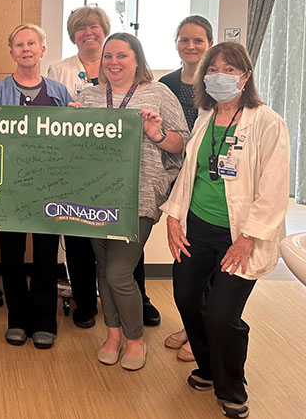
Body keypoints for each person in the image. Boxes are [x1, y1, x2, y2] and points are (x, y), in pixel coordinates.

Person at [163, 42, 289, 419]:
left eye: (230, 70)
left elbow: (274, 188)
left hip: (239, 234)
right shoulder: (205, 116)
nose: (220, 76)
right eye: (213, 69)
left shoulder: (267, 122)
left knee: (222, 315)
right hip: (196, 226)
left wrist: (249, 238)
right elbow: (190, 172)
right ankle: (207, 367)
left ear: (246, 76)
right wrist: (173, 216)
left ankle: (231, 386)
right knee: (186, 298)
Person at [76, 33, 188, 371]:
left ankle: (135, 340)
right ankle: (112, 335)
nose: (113, 62)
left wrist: (155, 133)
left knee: (119, 272)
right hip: (95, 196)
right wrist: (71, 123)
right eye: (108, 56)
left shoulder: (158, 93)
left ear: (137, 59)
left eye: (122, 55)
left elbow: (181, 143)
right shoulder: (90, 96)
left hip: (138, 196)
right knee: (103, 269)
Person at [47, 6, 161, 328]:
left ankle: (137, 303)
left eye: (95, 27)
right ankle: (86, 303)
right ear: (73, 35)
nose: (88, 33)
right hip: (84, 176)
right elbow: (58, 120)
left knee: (124, 253)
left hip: (128, 181)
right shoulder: (60, 70)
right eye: (81, 29)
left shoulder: (137, 79)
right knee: (84, 248)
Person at [0, 24, 72, 348]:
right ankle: (17, 319)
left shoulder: (60, 92)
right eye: (19, 44)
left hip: (50, 187)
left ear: (42, 49)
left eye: (31, 43)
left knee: (47, 255)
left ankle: (45, 320)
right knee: (11, 255)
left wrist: (78, 116)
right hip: (10, 187)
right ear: (11, 52)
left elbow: (74, 136)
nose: (25, 49)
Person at [159, 15, 214, 363]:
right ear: (176, 43)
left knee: (207, 257)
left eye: (198, 41)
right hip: (179, 177)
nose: (191, 47)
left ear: (208, 44)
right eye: (184, 40)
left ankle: (204, 332)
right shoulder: (165, 83)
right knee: (186, 257)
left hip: (212, 181)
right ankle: (190, 325)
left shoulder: (219, 82)